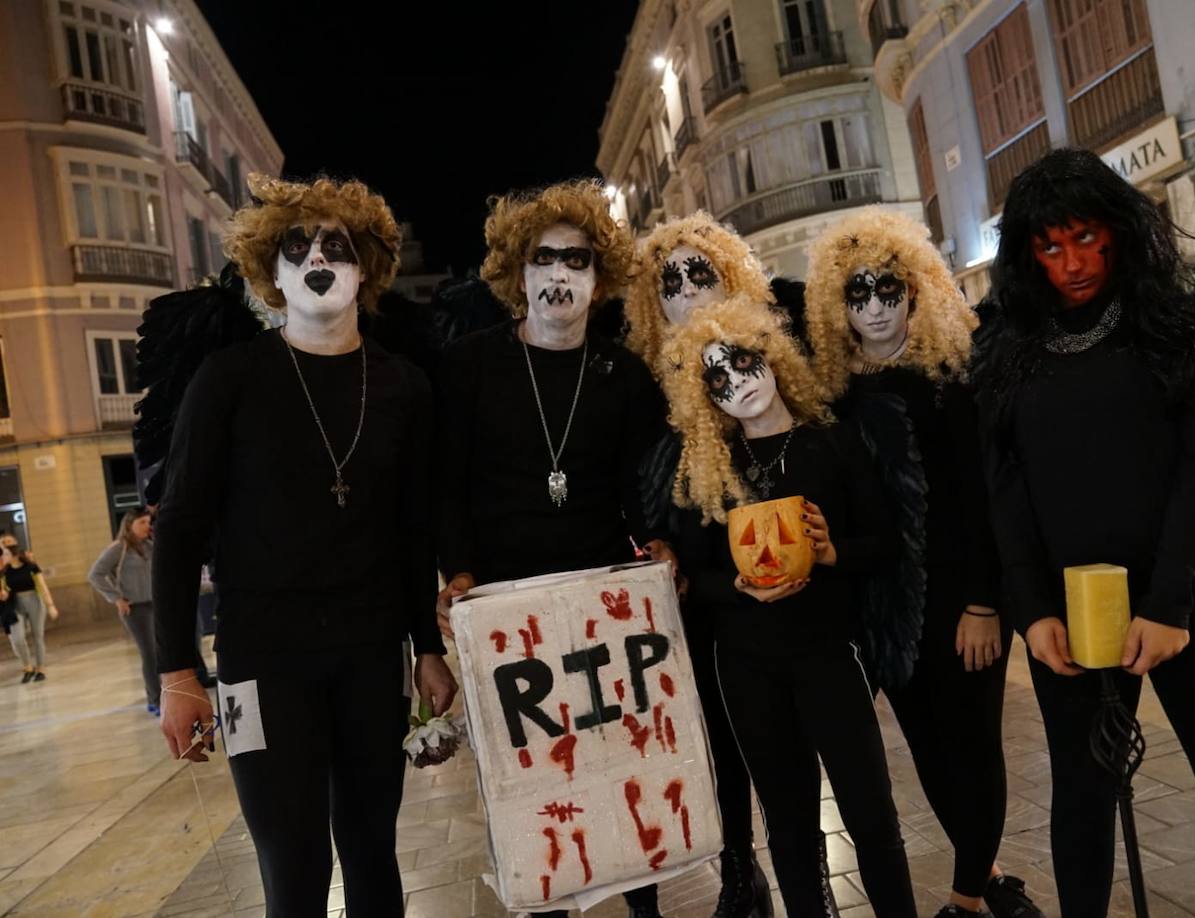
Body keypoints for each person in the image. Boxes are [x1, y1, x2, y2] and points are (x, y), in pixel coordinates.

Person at [975, 148, 1195, 917]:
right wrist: (1031, 609)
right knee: (1082, 798)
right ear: (1026, 253)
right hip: (1073, 612)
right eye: (1049, 247)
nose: (1072, 263)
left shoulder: (1187, 324)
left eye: (1086, 238)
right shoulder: (1009, 351)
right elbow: (1007, 490)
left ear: (1120, 230)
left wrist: (1171, 602)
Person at [152, 173, 457, 917]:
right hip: (260, 661)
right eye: (298, 245)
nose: (318, 256)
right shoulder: (228, 380)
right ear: (272, 270)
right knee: (291, 864)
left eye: (337, 245)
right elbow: (181, 524)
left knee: (372, 854)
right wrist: (176, 671)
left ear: (366, 269)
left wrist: (426, 645)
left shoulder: (403, 387)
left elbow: (415, 527)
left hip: (367, 656)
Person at [435, 179, 667, 918]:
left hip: (603, 609)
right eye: (544, 259)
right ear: (517, 272)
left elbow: (641, 484)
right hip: (507, 612)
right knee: (534, 784)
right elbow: (448, 486)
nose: (559, 274)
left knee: (623, 765)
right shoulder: (468, 368)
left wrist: (656, 543)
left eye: (577, 260)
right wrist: (458, 570)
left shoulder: (623, 375)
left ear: (599, 281)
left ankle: (645, 906)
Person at [804, 208, 1045, 918]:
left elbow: (985, 499)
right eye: (858, 293)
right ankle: (990, 874)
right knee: (930, 751)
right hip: (886, 604)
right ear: (836, 304)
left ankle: (967, 898)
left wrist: (984, 601)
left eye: (888, 289)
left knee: (974, 745)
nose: (875, 306)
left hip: (962, 596)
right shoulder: (839, 398)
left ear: (916, 291)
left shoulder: (955, 379)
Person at [663, 297, 918, 918]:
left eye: (743, 362)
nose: (736, 382)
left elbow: (886, 544)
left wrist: (833, 554)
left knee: (871, 815)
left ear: (771, 356)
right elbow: (693, 574)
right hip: (747, 666)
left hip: (829, 654)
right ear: (707, 399)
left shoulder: (832, 444)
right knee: (787, 821)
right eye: (716, 379)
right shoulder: (707, 470)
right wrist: (739, 589)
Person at [625, 212, 780, 918]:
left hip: (780, 575)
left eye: (700, 271)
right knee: (716, 739)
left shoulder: (766, 347)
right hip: (695, 590)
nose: (687, 288)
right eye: (670, 280)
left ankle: (801, 868)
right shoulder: (642, 384)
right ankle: (739, 873)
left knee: (784, 738)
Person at [89, 507, 172, 713]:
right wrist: (116, 598)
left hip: (155, 604)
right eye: (142, 523)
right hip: (135, 609)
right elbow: (95, 574)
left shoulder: (150, 545)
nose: (147, 526)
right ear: (129, 525)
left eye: (148, 522)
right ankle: (155, 700)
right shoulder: (119, 548)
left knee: (160, 652)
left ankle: (160, 695)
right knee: (150, 654)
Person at [0, 533, 58, 683]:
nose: (2, 556)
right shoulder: (4, 571)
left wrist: (50, 605)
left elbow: (42, 586)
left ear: (13, 553)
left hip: (34, 601)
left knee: (37, 636)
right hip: (15, 603)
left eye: (5, 553)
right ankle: (27, 666)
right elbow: (3, 589)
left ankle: (40, 668)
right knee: (18, 638)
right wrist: (4, 594)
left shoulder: (31, 567)